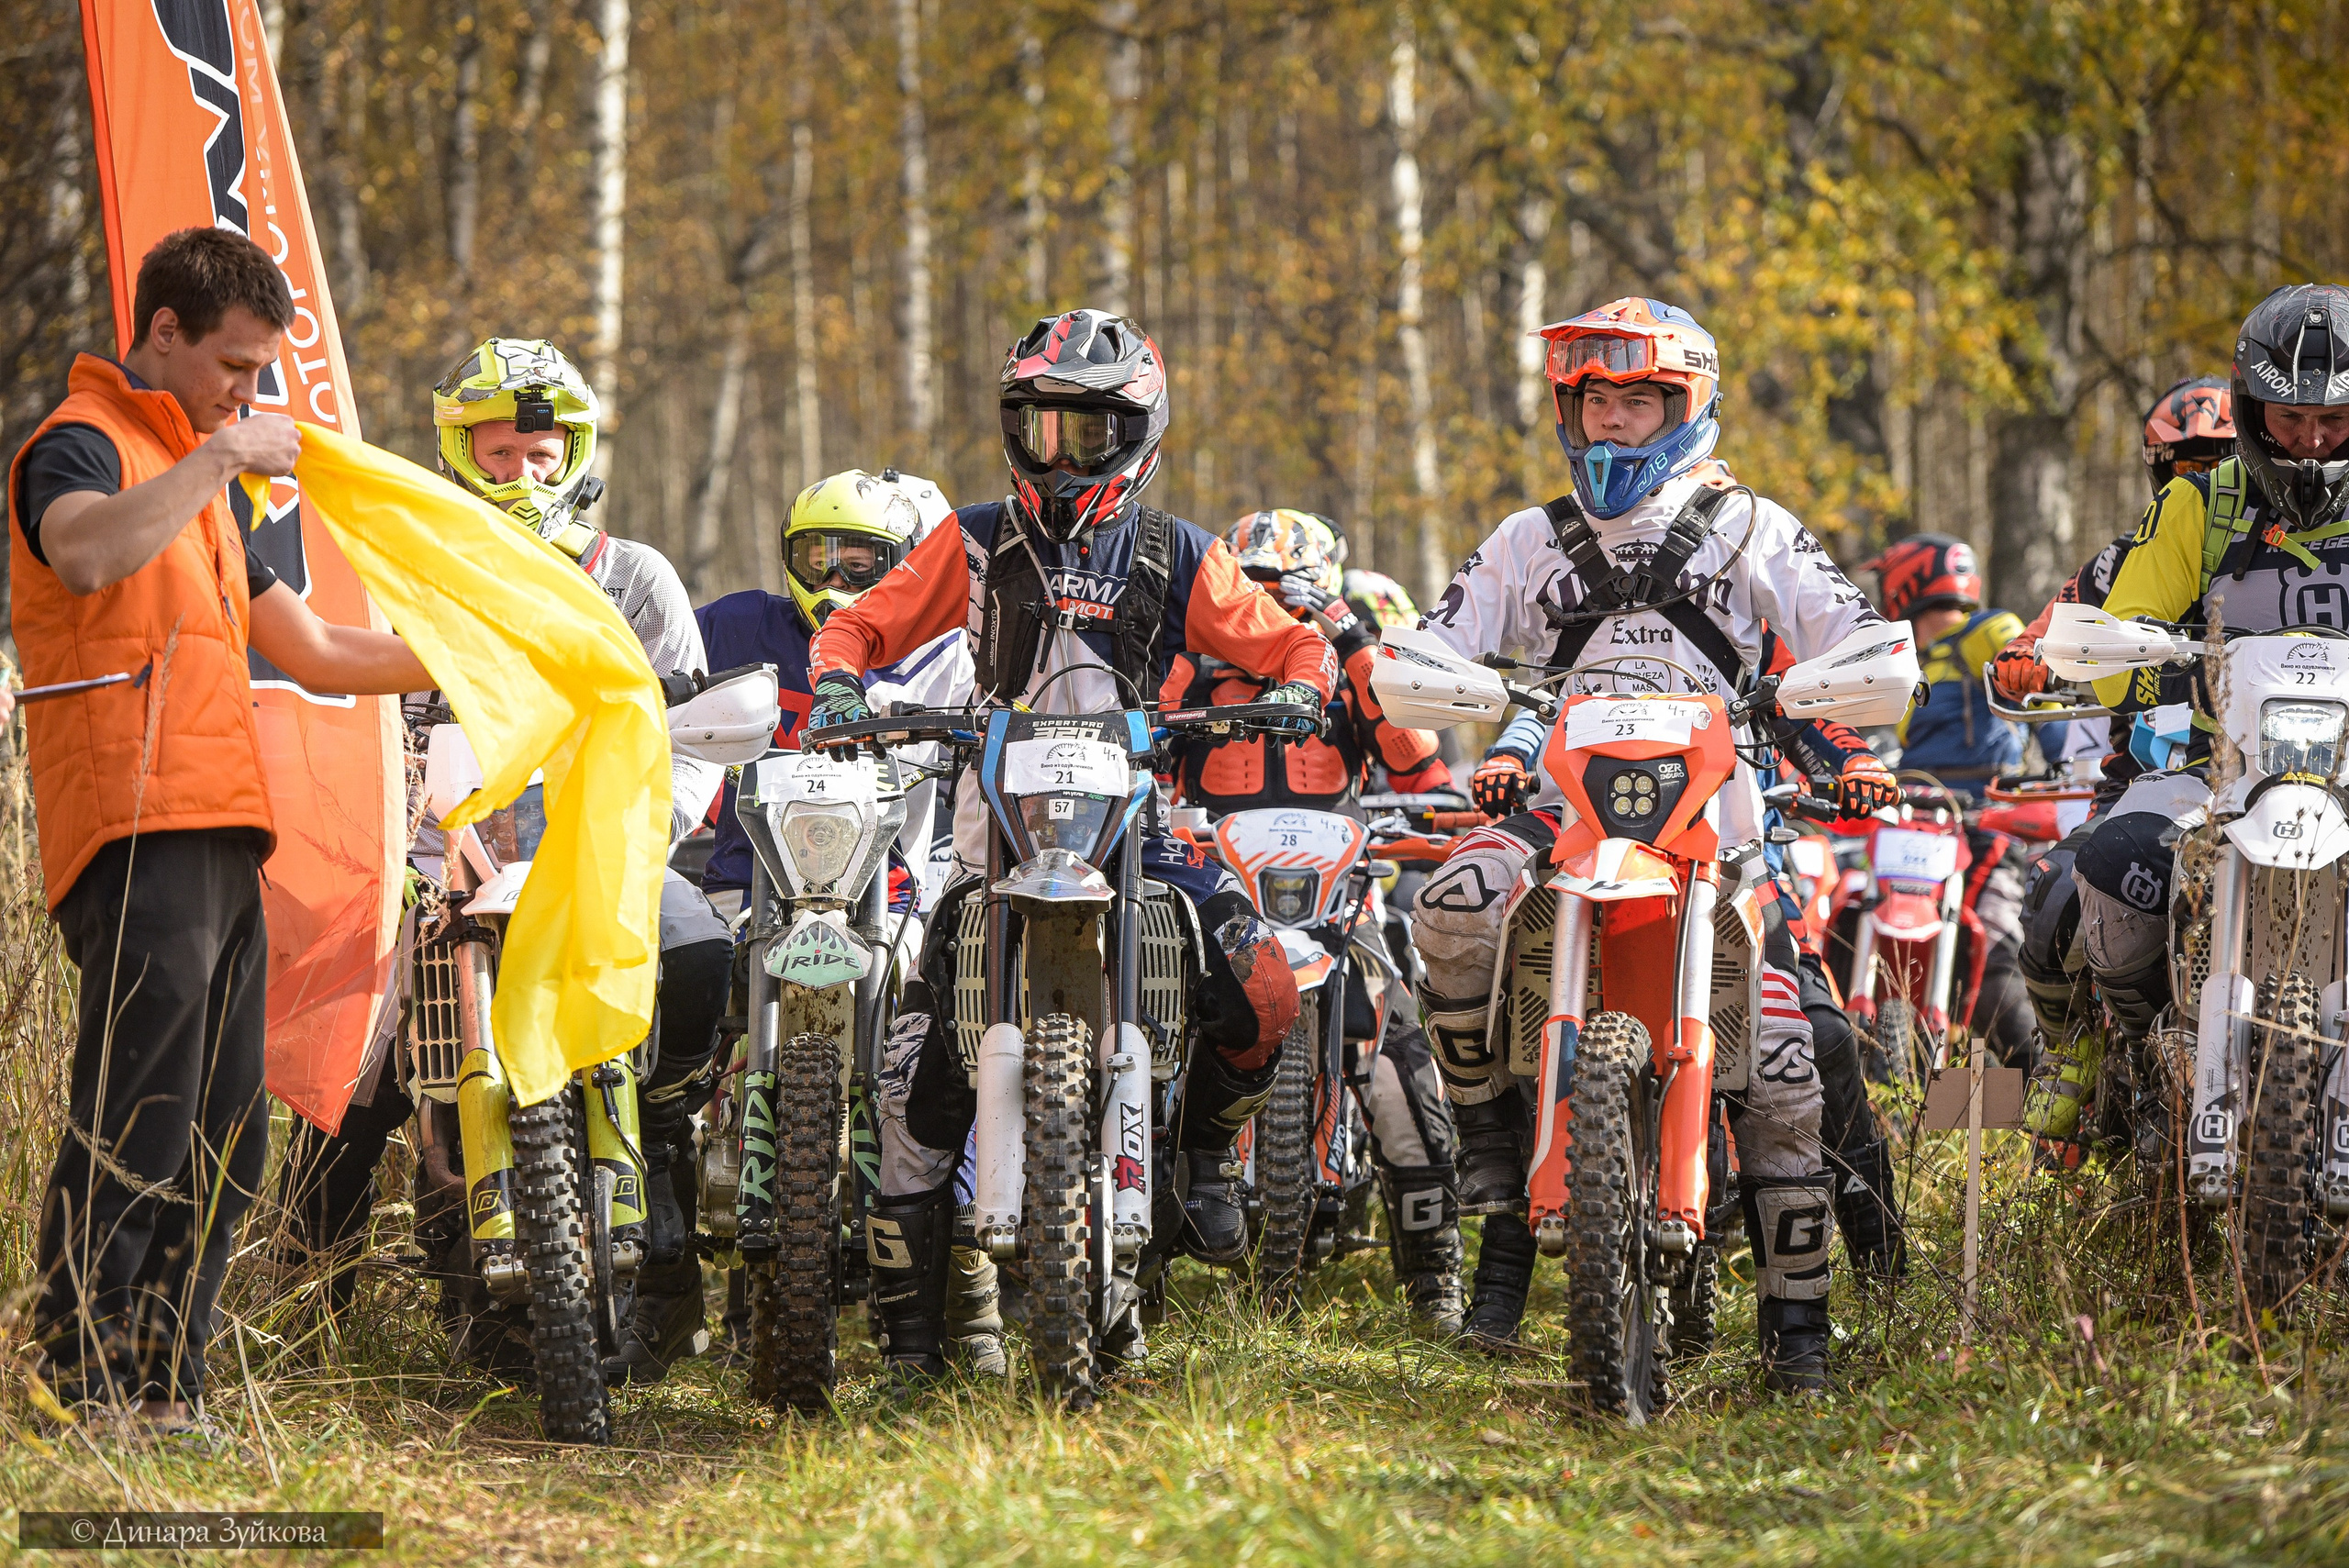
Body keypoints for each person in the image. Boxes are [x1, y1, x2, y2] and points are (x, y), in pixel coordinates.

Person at [802, 307, 1336, 1382]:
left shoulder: (1176, 549)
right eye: (1037, 429)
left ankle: (1206, 1153)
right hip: (993, 830)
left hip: (1134, 818)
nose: (1056, 454)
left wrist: (1299, 690)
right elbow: (859, 622)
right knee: (912, 1069)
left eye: (1085, 433)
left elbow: (1289, 639)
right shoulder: (969, 537)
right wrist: (838, 679)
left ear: (1135, 432)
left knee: (1262, 978)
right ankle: (913, 1341)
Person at [1408, 296, 1898, 1392]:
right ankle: (1492, 1142)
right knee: (1447, 906)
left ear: (1687, 407)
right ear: (1566, 412)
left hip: (1718, 824)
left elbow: (1854, 630)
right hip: (1565, 809)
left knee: (1783, 1049)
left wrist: (1842, 693)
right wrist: (1426, 675)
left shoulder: (1749, 526)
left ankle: (1800, 1329)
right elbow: (1430, 644)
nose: (1615, 423)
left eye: (1640, 401)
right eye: (1595, 402)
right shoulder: (1525, 537)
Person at [14, 228, 431, 1433]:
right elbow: (85, 553)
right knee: (137, 1111)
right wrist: (221, 457)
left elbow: (318, 649)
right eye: (233, 367)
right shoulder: (82, 445)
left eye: (257, 376)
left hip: (220, 826)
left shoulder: (191, 475)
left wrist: (492, 655)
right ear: (161, 334)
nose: (247, 393)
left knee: (230, 1128)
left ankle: (167, 1385)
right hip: (135, 822)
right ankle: (83, 1375)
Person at [273, 337, 733, 1388]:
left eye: (542, 452)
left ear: (574, 450)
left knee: (699, 952)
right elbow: (360, 731)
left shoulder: (634, 576)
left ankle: (662, 1241)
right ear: (456, 454)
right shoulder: (400, 572)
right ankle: (305, 1317)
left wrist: (640, 840)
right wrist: (401, 861)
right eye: (499, 453)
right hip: (436, 857)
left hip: (599, 850)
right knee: (355, 1060)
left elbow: (693, 740)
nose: (523, 473)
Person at [692, 467, 1000, 1374]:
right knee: (670, 1028)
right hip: (745, 878)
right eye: (816, 554)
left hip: (895, 882)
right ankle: (657, 1276)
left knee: (943, 1043)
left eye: (861, 557)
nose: (834, 573)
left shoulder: (948, 645)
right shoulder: (737, 625)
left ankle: (967, 1285)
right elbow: (663, 696)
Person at [1158, 507, 1465, 1333]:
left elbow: (1418, 761)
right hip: (1220, 886)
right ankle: (1144, 1246)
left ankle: (1435, 1275)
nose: (1266, 614)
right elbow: (1146, 747)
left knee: (1401, 1058)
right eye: (1249, 592)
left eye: (1286, 595)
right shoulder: (1194, 670)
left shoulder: (1349, 667)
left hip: (1338, 891)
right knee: (1157, 1039)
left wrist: (1354, 639)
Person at [2057, 288, 2349, 1136]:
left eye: (2334, 418)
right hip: (2212, 770)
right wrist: (2163, 677)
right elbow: (2122, 637)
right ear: (2253, 410)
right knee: (2112, 864)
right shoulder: (2202, 504)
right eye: (2291, 417)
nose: (2314, 439)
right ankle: (2155, 1059)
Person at [1995, 377, 2234, 1140]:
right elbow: (2049, 620)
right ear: (2157, 471)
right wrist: (2026, 654)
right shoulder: (2124, 560)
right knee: (2049, 902)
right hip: (2139, 788)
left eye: (2220, 463)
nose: (2200, 480)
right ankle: (2074, 1047)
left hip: (2258, 784)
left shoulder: (2277, 565)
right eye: (2184, 466)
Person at [1855, 535, 2034, 1071]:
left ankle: (2041, 1086)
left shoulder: (1988, 631)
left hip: (1990, 823)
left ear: (1904, 585)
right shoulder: (1909, 666)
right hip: (1919, 827)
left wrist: (2054, 766)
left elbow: (2035, 681)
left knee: (1997, 954)